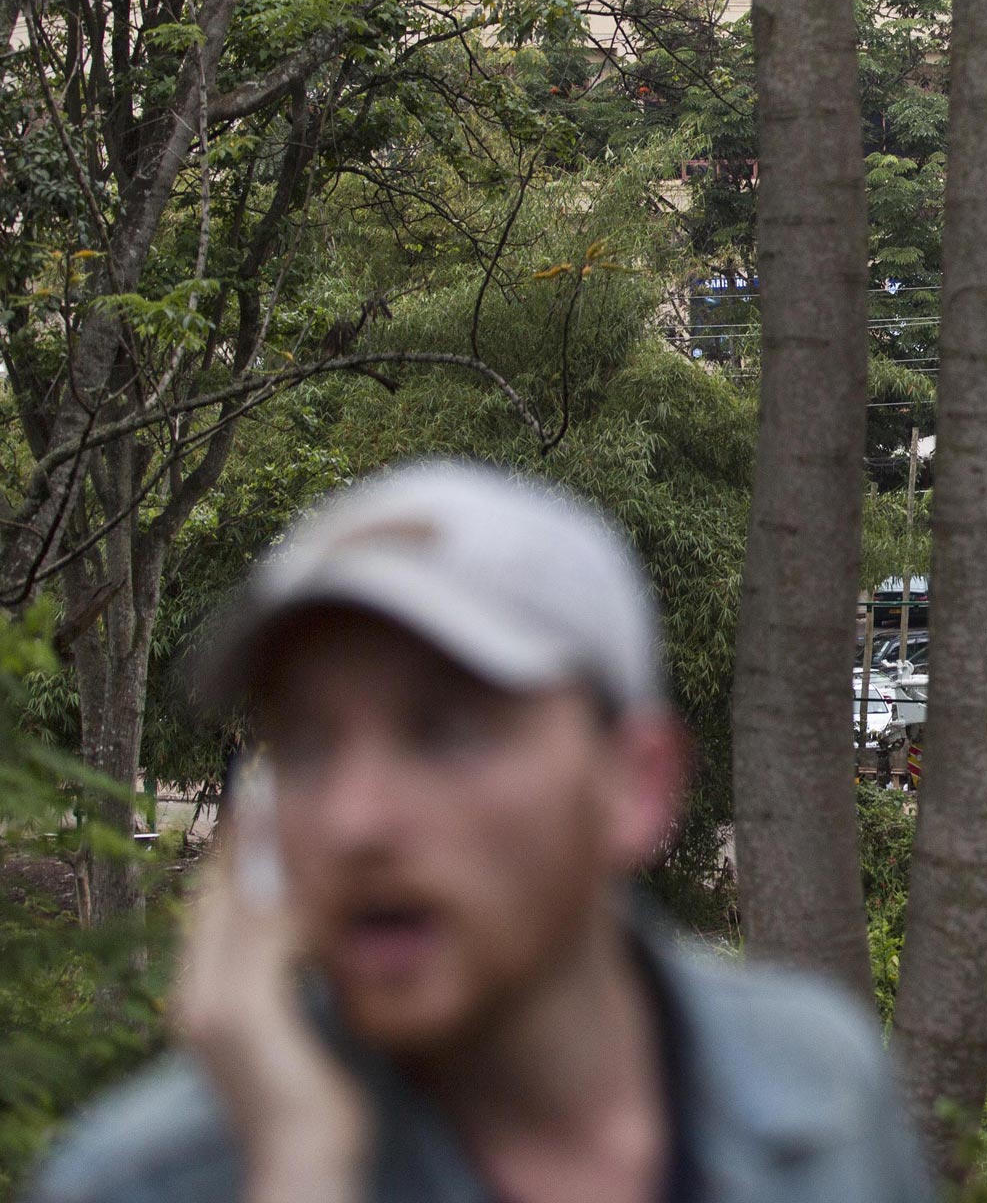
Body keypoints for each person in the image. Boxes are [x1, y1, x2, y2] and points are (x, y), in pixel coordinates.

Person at [32, 461, 931, 1203]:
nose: (354, 822)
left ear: (638, 784)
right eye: (303, 745)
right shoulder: (145, 1180)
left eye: (447, 732)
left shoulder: (822, 1090)